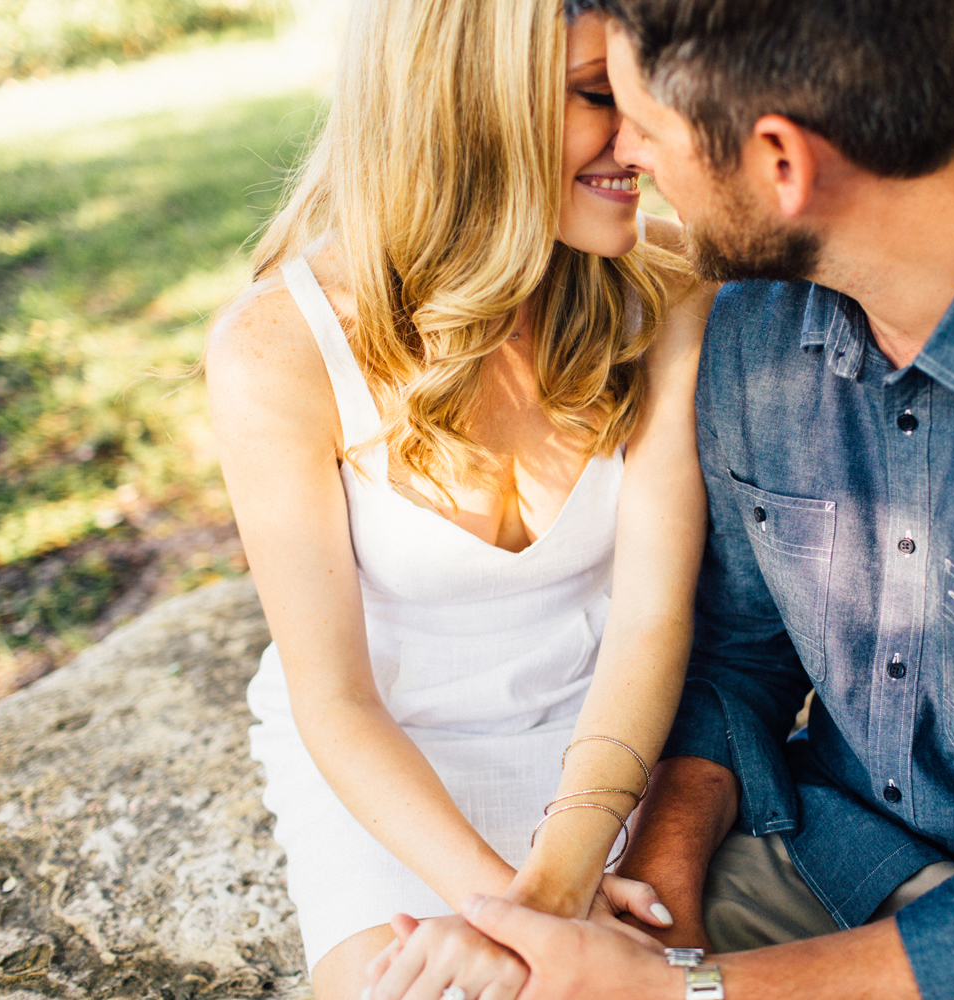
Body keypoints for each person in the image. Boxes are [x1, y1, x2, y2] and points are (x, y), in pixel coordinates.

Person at [364, 1, 954, 999]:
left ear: (782, 162)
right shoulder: (751, 327)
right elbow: (735, 658)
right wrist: (659, 899)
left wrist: (683, 995)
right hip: (833, 864)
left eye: (644, 125)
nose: (626, 151)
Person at [203, 0, 715, 996]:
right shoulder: (280, 349)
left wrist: (558, 885)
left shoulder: (667, 289)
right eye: (596, 96)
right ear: (471, 105)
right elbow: (336, 700)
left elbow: (653, 620)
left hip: (609, 739)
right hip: (394, 766)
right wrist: (502, 913)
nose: (642, 138)